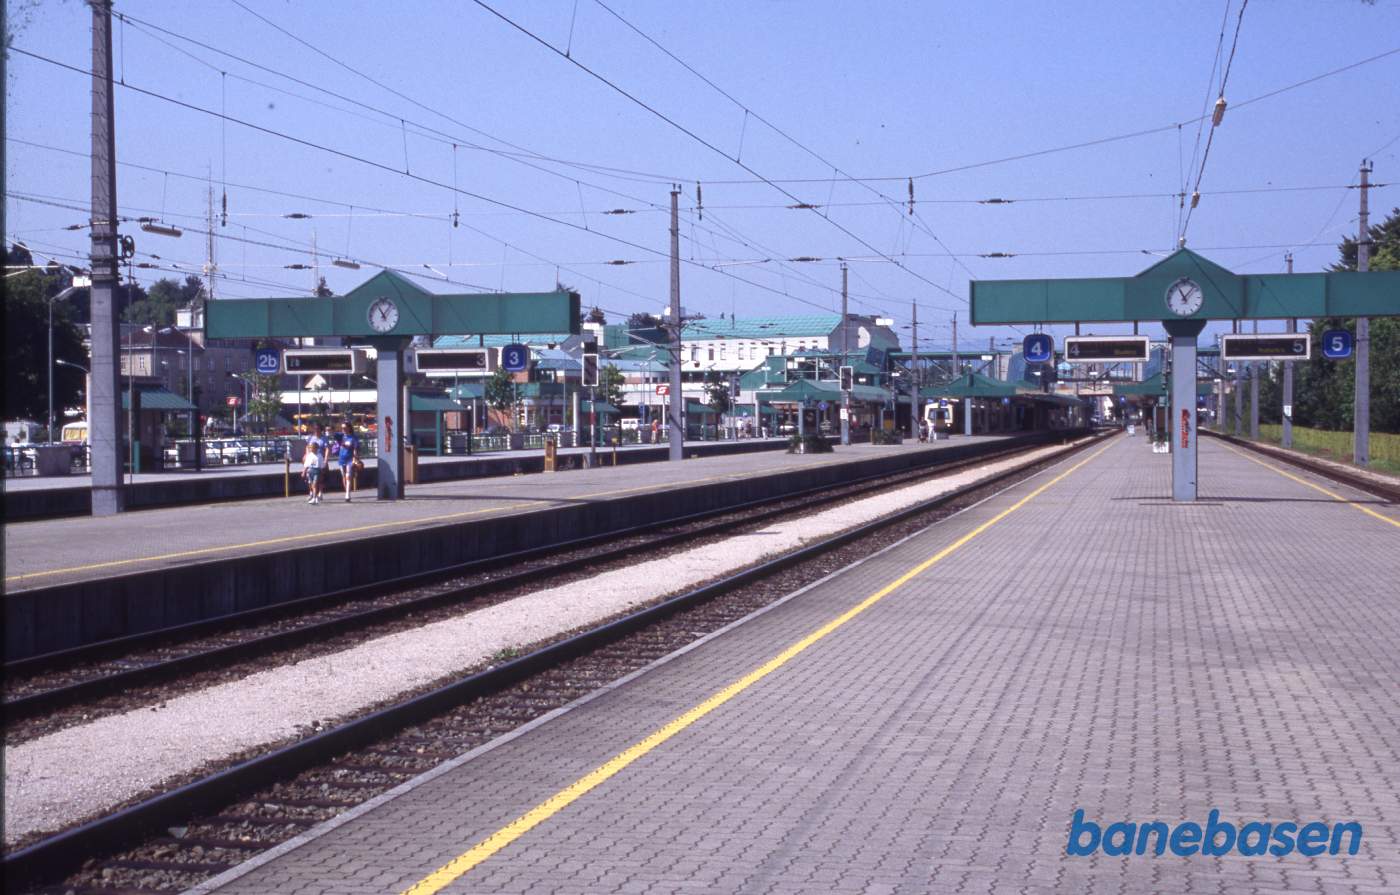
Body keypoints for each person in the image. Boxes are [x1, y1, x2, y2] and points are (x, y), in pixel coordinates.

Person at [335, 421, 360, 502]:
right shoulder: (341, 436)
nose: (343, 429)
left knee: (348, 476)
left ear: (349, 428)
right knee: (343, 476)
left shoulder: (353, 437)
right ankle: (346, 490)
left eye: (345, 428)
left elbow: (355, 449)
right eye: (342, 428)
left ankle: (347, 494)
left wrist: (355, 458)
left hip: (350, 458)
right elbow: (334, 434)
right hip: (342, 458)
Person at [301, 428, 324, 505]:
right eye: (311, 448)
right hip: (310, 471)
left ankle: (315, 498)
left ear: (317, 449)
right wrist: (304, 471)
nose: (312, 449)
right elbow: (306, 464)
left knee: (315, 485)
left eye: (313, 448)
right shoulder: (309, 455)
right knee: (311, 485)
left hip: (316, 471)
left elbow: (321, 465)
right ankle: (314, 497)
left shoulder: (319, 455)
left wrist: (322, 471)